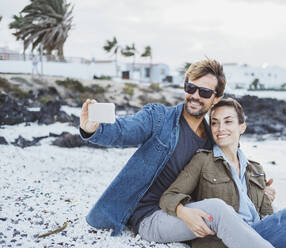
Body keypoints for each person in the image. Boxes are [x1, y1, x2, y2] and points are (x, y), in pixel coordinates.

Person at [80, 59, 274, 247]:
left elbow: (232, 169)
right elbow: (125, 131)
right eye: (191, 88)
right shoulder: (159, 118)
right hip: (148, 216)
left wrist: (258, 191)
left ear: (216, 98)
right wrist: (93, 130)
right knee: (219, 212)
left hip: (183, 212)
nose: (195, 96)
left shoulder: (211, 140)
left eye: (205, 92)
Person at [159, 98, 286, 248]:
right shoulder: (202, 161)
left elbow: (267, 215)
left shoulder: (255, 169)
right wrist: (183, 212)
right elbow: (168, 196)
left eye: (228, 121)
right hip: (231, 240)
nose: (220, 128)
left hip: (263, 234)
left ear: (242, 127)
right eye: (215, 122)